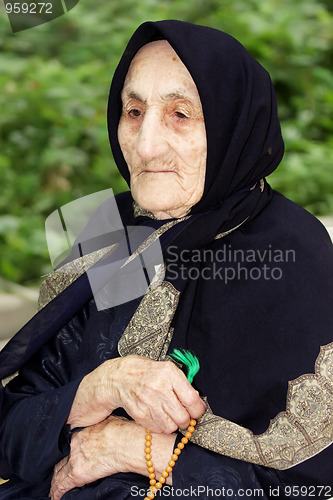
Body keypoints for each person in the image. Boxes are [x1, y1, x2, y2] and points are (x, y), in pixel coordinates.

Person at [0, 20, 332, 500]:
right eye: (133, 111)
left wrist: (129, 447)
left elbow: (310, 487)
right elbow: (11, 430)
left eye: (180, 114)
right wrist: (100, 388)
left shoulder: (292, 252)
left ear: (234, 124)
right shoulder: (113, 228)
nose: (145, 144)